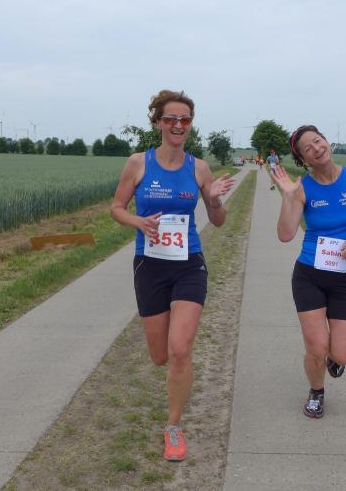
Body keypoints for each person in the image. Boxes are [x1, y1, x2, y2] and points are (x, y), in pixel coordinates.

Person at [110, 89, 236, 460]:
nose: (178, 125)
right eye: (171, 119)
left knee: (180, 350)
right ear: (158, 123)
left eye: (185, 119)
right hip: (149, 265)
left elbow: (218, 220)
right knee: (160, 356)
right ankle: (172, 378)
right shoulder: (138, 163)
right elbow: (116, 207)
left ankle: (174, 428)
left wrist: (214, 199)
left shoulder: (199, 168)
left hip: (188, 263)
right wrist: (137, 222)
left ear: (190, 125)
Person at [271, 125, 346, 419]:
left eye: (318, 141)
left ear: (327, 142)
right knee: (317, 347)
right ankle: (316, 392)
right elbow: (285, 234)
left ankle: (332, 360)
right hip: (310, 275)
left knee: (343, 354)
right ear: (303, 160)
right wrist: (288, 197)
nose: (316, 149)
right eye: (308, 148)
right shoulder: (302, 188)